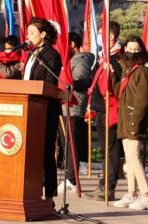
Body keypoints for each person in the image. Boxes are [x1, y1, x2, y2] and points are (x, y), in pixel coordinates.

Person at [20, 17, 62, 205]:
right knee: (30, 153)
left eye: (32, 33)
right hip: (28, 108)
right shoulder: (32, 54)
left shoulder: (51, 55)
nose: (28, 36)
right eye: (27, 33)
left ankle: (49, 197)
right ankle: (30, 192)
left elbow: (49, 84)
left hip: (45, 110)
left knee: (46, 153)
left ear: (43, 34)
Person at [112, 36, 148, 211]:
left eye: (136, 49)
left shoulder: (143, 71)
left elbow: (143, 101)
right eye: (129, 49)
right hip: (124, 118)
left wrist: (136, 124)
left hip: (134, 119)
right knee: (128, 160)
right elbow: (118, 92)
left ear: (141, 50)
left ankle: (146, 195)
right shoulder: (127, 69)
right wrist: (112, 75)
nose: (132, 52)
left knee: (133, 157)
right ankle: (132, 193)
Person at [84, 21, 123, 202]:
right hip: (101, 109)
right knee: (105, 151)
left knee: (111, 150)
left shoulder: (117, 58)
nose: (99, 37)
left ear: (111, 37)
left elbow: (117, 86)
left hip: (111, 109)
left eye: (102, 33)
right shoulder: (104, 57)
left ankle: (109, 188)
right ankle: (103, 184)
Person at [57, 32, 94, 193]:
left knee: (72, 145)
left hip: (74, 106)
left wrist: (63, 79)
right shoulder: (69, 60)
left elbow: (79, 80)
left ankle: (72, 179)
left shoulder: (82, 60)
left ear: (72, 44)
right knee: (65, 144)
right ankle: (68, 175)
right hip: (64, 106)